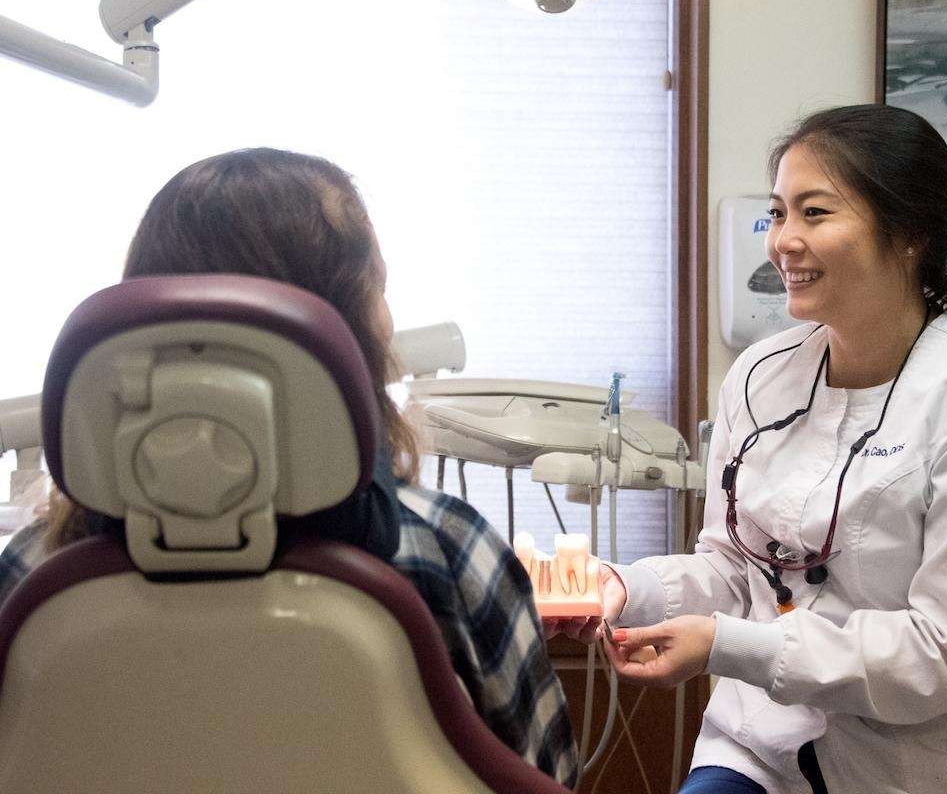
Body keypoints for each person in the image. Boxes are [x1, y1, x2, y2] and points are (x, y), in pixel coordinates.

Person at [0, 148, 578, 787]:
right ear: (343, 340)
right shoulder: (450, 555)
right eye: (380, 290)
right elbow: (548, 773)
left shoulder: (29, 578)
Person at [555, 104, 947, 794]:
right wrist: (626, 588)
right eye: (779, 212)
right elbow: (734, 569)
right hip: (755, 746)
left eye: (814, 213)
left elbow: (944, 655)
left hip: (906, 765)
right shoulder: (762, 374)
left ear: (908, 234)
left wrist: (727, 646)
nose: (784, 240)